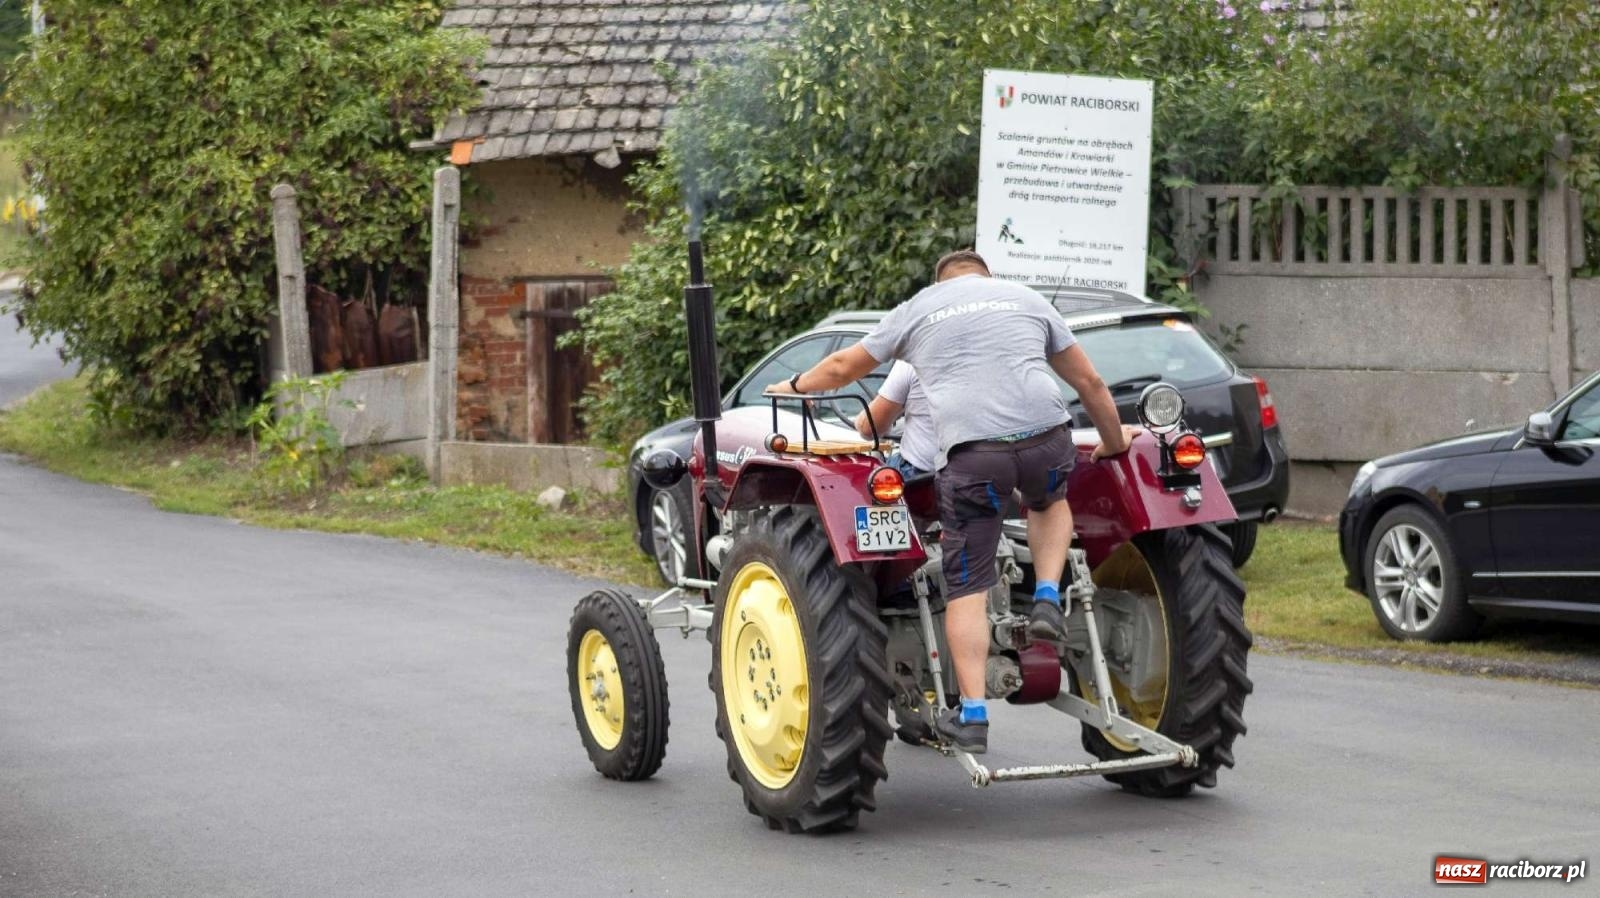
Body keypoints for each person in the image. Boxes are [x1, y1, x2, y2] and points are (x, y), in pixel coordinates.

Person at [768, 249, 1135, 754]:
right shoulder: (1025, 298)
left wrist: (788, 387)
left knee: (969, 586)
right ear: (986, 276)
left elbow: (840, 368)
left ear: (941, 280)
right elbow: (1089, 382)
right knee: (1048, 502)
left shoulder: (921, 307)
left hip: (974, 454)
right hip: (1047, 435)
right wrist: (1113, 443)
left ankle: (974, 717)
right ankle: (1048, 595)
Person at [854, 360, 934, 478]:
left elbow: (868, 429)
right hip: (967, 469)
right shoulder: (970, 356)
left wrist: (859, 421)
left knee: (864, 478)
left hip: (924, 472)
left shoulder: (912, 359)